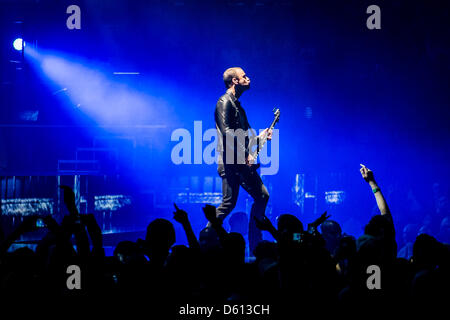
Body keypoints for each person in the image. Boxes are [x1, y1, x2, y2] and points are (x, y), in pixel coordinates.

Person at [213, 67, 272, 253]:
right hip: (232, 162)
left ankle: (255, 243)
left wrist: (261, 137)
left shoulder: (239, 106)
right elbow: (227, 133)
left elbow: (245, 139)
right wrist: (244, 154)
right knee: (230, 202)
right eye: (244, 76)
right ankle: (207, 236)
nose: (248, 78)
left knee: (258, 196)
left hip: (239, 161)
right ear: (235, 81)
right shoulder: (224, 102)